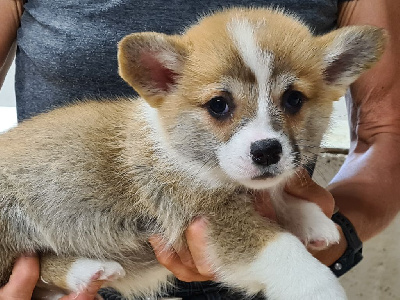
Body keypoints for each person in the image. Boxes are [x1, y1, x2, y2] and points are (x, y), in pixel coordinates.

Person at [0, 0, 399, 299]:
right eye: (220, 106)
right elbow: (224, 224)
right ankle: (51, 270)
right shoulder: (172, 154)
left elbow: (387, 129)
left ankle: (55, 269)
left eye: (291, 100)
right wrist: (305, 281)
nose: (264, 136)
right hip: (18, 202)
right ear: (163, 78)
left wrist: (325, 228)